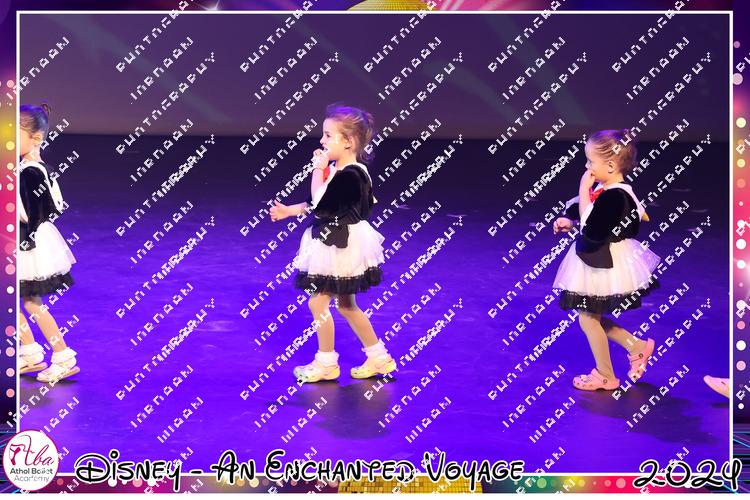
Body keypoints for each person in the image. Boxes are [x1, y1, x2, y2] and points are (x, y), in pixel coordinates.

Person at [270, 104, 396, 383]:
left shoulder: (351, 175)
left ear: (348, 141)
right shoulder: (341, 171)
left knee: (318, 303)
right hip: (337, 241)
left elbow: (320, 203)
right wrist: (289, 210)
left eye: (328, 135)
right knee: (346, 305)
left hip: (341, 246)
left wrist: (317, 170)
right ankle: (379, 358)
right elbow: (318, 203)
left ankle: (326, 363)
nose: (322, 141)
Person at [552, 129, 659, 391]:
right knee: (591, 317)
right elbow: (587, 212)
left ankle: (606, 375)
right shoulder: (610, 190)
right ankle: (636, 346)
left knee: (588, 319)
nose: (587, 167)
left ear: (610, 166)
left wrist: (583, 188)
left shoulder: (616, 196)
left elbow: (593, 226)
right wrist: (570, 220)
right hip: (598, 256)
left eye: (591, 161)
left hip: (603, 261)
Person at [17, 103, 80, 383]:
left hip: (28, 243)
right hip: (27, 239)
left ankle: (63, 356)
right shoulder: (35, 168)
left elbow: (26, 214)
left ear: (36, 138)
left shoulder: (30, 172)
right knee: (13, 301)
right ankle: (30, 352)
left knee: (32, 303)